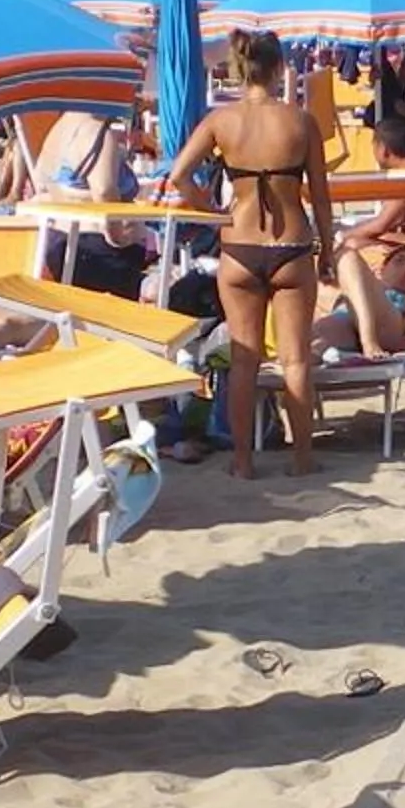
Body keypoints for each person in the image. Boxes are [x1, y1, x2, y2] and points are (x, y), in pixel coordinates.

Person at [155, 30, 336, 479]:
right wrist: (328, 250)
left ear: (238, 70)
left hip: (239, 245)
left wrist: (212, 211)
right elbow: (321, 195)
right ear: (279, 69)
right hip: (292, 246)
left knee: (243, 360)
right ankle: (302, 460)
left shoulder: (222, 121)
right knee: (294, 359)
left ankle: (242, 462)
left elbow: (177, 176)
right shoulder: (300, 121)